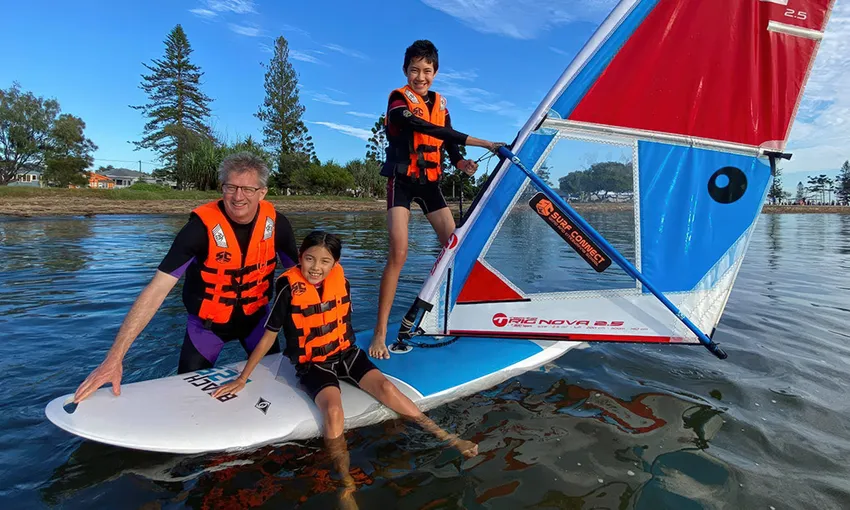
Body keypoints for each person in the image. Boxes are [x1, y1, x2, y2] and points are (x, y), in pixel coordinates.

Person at [212, 231, 478, 504]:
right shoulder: (287, 287)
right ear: (300, 257)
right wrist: (244, 378)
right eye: (309, 259)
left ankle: (446, 437)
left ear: (335, 263)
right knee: (334, 409)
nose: (316, 267)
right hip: (313, 363)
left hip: (346, 353)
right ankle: (346, 483)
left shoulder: (343, 282)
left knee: (386, 387)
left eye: (325, 261)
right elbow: (269, 334)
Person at [73, 152, 299, 403]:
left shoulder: (278, 225)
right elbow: (156, 290)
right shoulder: (198, 230)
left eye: (247, 188)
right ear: (221, 188)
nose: (238, 196)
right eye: (231, 187)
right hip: (206, 329)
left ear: (262, 192)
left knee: (275, 387)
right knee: (186, 400)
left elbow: (301, 282)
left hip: (257, 324)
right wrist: (114, 358)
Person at [369, 39, 504, 359]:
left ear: (436, 72)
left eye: (427, 71)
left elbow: (450, 146)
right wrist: (484, 142)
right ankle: (379, 331)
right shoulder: (397, 100)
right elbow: (418, 125)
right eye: (414, 70)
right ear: (405, 71)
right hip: (401, 182)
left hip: (429, 184)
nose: (420, 76)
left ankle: (444, 313)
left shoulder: (441, 104)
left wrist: (462, 162)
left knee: (453, 247)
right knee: (399, 253)